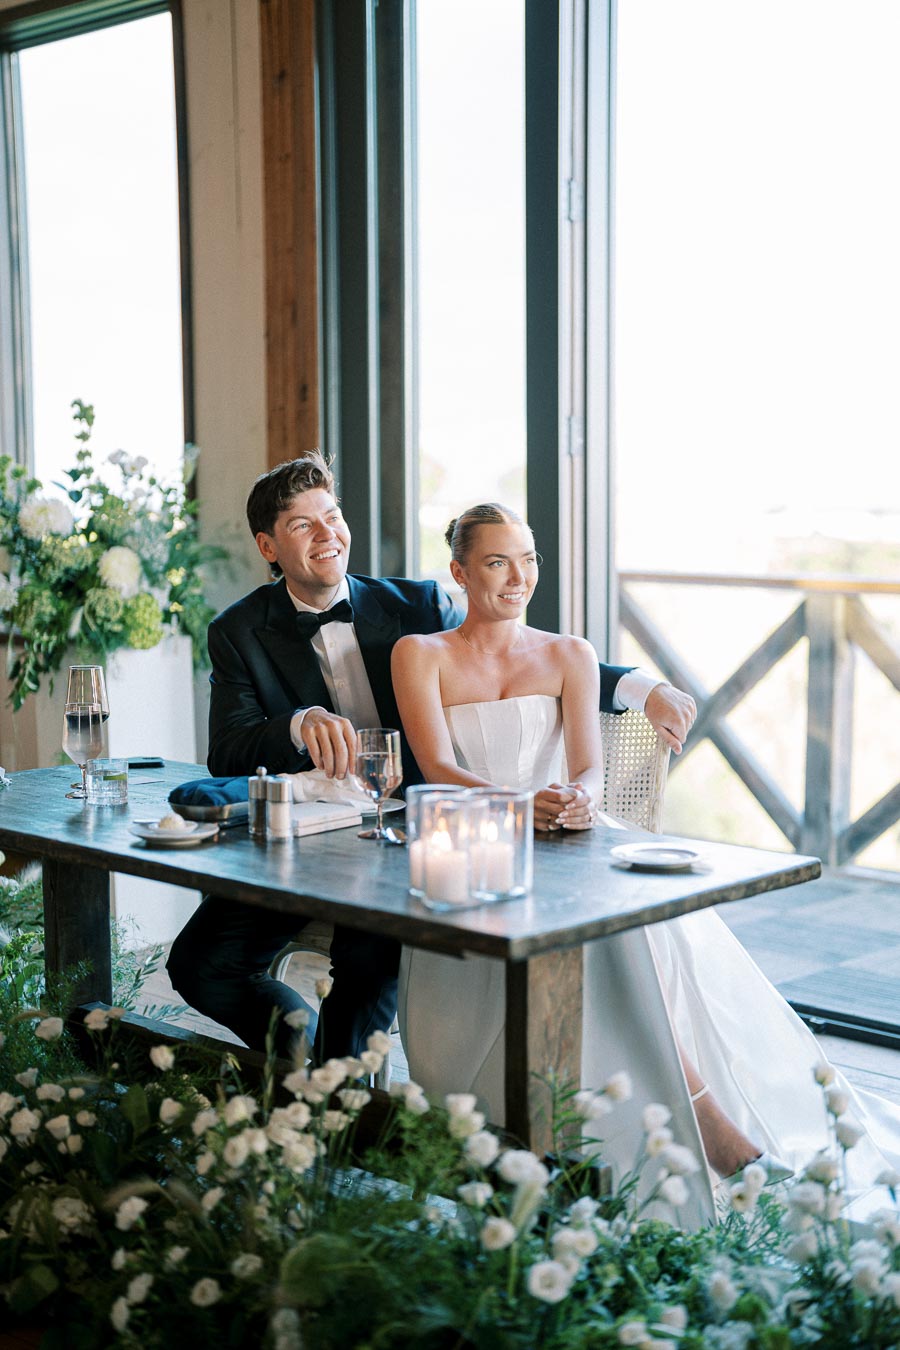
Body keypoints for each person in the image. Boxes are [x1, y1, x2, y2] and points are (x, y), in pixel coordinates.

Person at [392, 502, 900, 1226]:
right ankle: (711, 1136)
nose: (518, 577)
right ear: (460, 572)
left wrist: (574, 800)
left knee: (623, 926)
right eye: (499, 561)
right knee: (610, 939)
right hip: (474, 848)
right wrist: (515, 805)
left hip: (570, 843)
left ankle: (699, 1134)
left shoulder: (567, 652)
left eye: (529, 559)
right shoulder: (421, 653)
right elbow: (436, 768)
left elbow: (591, 771)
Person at [167, 455, 696, 1064]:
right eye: (301, 525)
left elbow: (512, 656)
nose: (326, 535)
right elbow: (226, 750)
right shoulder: (237, 631)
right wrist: (295, 724)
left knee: (368, 965)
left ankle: (342, 1101)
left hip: (420, 833)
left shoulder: (414, 604)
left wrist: (638, 688)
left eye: (332, 517)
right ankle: (297, 1048)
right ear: (268, 545)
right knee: (200, 964)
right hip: (310, 836)